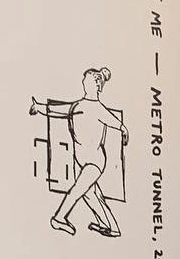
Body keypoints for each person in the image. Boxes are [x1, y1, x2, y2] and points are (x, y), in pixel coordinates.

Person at [29, 67, 127, 237]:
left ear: (95, 85)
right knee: (92, 196)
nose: (82, 82)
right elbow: (56, 110)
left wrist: (124, 130)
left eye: (86, 80)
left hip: (94, 162)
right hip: (81, 160)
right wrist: (38, 107)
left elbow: (115, 122)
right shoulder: (77, 105)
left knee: (77, 190)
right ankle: (112, 227)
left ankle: (59, 218)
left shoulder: (97, 108)